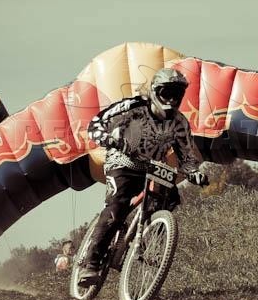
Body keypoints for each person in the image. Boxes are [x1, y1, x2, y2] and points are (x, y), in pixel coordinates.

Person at [78, 68, 209, 286]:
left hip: (153, 168)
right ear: (155, 91)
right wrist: (108, 139)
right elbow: (96, 124)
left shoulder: (180, 123)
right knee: (117, 206)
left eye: (177, 94)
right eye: (167, 93)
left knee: (171, 198)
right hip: (123, 162)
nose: (172, 99)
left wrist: (194, 173)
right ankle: (90, 263)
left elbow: (187, 156)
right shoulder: (133, 106)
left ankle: (149, 237)